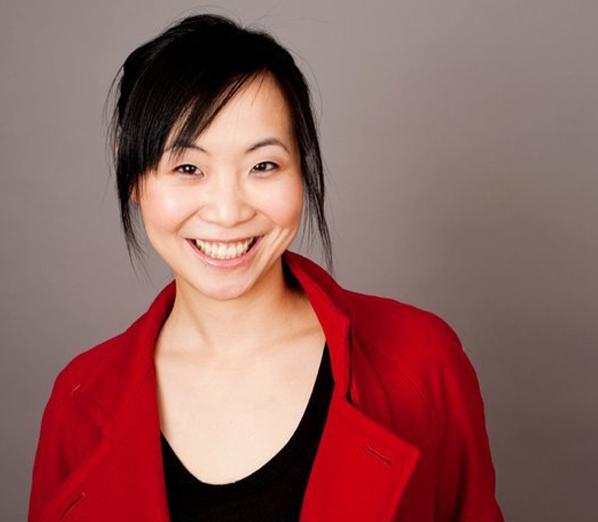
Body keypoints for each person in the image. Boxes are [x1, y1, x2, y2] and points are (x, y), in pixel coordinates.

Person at [28, 13, 504, 522]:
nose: (228, 211)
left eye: (264, 166)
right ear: (134, 178)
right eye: (188, 168)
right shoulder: (80, 400)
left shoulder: (420, 362)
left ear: (303, 168)